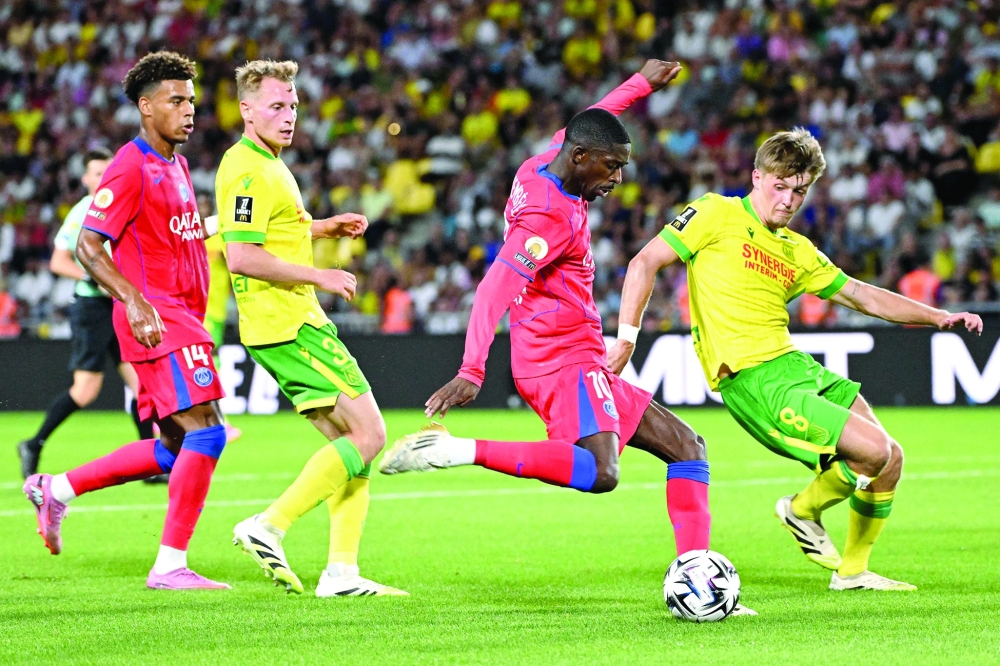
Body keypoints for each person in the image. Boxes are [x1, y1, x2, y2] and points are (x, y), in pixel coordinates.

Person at [380, 61, 752, 615]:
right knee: (601, 472)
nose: (617, 179)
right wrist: (473, 369)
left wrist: (642, 84)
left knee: (688, 448)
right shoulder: (549, 219)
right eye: (612, 167)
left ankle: (697, 579)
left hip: (566, 354)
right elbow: (492, 290)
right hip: (562, 358)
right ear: (580, 159)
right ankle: (458, 451)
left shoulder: (542, 163)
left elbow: (596, 117)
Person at [609, 128, 983, 591]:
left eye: (799, 190)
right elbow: (644, 263)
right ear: (756, 177)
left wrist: (938, 317)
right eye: (780, 186)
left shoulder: (797, 249)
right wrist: (626, 339)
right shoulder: (715, 213)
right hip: (754, 378)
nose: (788, 200)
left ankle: (852, 572)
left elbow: (861, 295)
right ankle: (801, 510)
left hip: (796, 366)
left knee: (891, 460)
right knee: (874, 452)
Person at [22, 52, 230, 591]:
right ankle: (169, 565)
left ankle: (57, 488)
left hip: (181, 314)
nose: (188, 110)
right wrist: (134, 302)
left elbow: (183, 233)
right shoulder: (130, 164)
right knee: (207, 432)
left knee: (175, 446)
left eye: (191, 100)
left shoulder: (177, 165)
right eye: (175, 100)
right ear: (145, 106)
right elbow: (90, 246)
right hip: (159, 318)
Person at [216, 59, 405, 598]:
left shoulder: (269, 163)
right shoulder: (248, 168)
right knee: (371, 435)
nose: (290, 115)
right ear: (246, 109)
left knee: (355, 446)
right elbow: (243, 255)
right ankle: (269, 525)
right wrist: (318, 273)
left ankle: (342, 574)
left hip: (284, 322)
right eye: (277, 105)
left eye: (294, 105)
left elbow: (272, 232)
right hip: (290, 322)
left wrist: (322, 227)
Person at [17, 147, 155, 479]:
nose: (103, 178)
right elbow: (58, 260)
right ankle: (33, 443)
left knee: (140, 385)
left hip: (119, 305)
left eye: (108, 172)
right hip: (92, 308)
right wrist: (95, 276)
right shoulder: (82, 212)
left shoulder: (116, 207)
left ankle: (149, 464)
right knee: (85, 389)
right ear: (85, 179)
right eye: (96, 173)